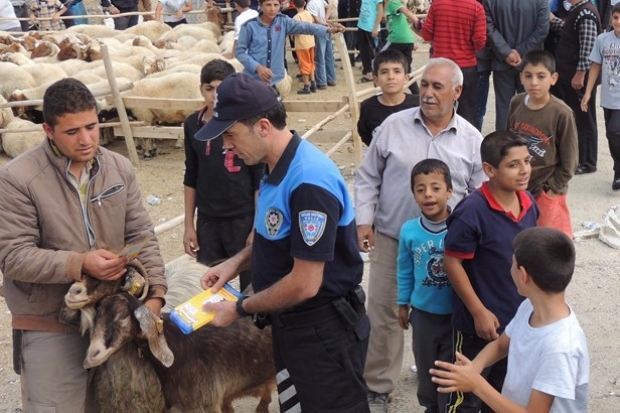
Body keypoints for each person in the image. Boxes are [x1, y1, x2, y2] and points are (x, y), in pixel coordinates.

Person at [196, 73, 370, 413]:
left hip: (322, 333)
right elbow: (277, 238)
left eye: (230, 134)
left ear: (262, 126)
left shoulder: (307, 181)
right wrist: (234, 264)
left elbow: (305, 283)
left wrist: (240, 309)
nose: (226, 146)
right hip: (294, 329)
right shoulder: (274, 166)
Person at [0, 78, 167, 412]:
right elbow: (13, 256)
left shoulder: (118, 167)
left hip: (113, 317)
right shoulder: (18, 178)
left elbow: (141, 236)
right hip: (49, 319)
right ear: (48, 129)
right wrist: (79, 263)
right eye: (72, 131)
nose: (87, 139)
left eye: (92, 126)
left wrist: (156, 298)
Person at [355, 57, 485, 413]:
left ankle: (440, 388)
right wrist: (363, 220)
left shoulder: (472, 140)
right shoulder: (392, 127)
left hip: (448, 252)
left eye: (437, 87)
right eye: (424, 85)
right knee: (383, 314)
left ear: (457, 92)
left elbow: (481, 195)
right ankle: (379, 387)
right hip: (393, 239)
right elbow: (367, 177)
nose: (427, 93)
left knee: (443, 317)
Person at [432, 227, 590, 412]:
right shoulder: (529, 307)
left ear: (523, 276)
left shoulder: (561, 347)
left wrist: (476, 385)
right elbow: (501, 345)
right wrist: (475, 366)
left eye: (512, 264)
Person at [443, 130, 539, 413]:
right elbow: (452, 262)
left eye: (527, 160)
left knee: (503, 395)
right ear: (489, 170)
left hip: (517, 323)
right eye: (513, 164)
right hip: (478, 328)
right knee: (466, 398)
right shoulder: (472, 211)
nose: (524, 171)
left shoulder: (528, 202)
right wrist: (478, 312)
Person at [183, 60, 262, 294]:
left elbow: (258, 176)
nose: (215, 95)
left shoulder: (243, 123)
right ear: (201, 89)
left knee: (250, 284)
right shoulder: (191, 124)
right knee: (209, 284)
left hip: (243, 218)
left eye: (221, 89)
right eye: (209, 89)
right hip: (208, 220)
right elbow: (191, 173)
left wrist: (256, 225)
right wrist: (189, 224)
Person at [397, 158, 454, 413]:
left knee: (450, 370)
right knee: (426, 366)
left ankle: (448, 407)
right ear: (414, 195)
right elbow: (405, 270)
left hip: (456, 316)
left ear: (449, 191)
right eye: (420, 189)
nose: (428, 194)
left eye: (435, 187)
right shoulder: (409, 231)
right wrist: (402, 303)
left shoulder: (461, 228)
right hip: (423, 316)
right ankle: (431, 407)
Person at [508, 50, 578, 238]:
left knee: (547, 245)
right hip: (519, 188)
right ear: (521, 76)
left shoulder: (561, 113)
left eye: (541, 76)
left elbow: (570, 161)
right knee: (520, 241)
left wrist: (552, 190)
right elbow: (508, 144)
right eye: (528, 76)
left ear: (553, 78)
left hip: (546, 191)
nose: (534, 83)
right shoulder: (516, 103)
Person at [235, 0, 344, 89]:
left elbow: (306, 27)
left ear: (280, 6)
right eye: (268, 5)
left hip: (276, 80)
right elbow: (240, 52)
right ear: (260, 6)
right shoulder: (249, 26)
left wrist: (328, 29)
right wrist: (257, 67)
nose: (272, 9)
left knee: (277, 113)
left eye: (276, 5)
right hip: (254, 80)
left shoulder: (283, 21)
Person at [550, 0, 601, 177]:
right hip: (570, 75)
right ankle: (580, 157)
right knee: (577, 117)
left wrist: (580, 73)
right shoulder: (578, 11)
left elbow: (588, 48)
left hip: (579, 78)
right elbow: (569, 30)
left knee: (584, 118)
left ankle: (588, 162)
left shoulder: (586, 13)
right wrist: (553, 20)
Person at [418, 0, 487, 127]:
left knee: (437, 109)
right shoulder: (477, 8)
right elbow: (480, 42)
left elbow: (426, 34)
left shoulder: (437, 4)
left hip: (440, 67)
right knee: (467, 111)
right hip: (466, 68)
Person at [484, 0, 549, 131]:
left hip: (502, 61)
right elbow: (542, 30)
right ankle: (526, 145)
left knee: (504, 109)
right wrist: (520, 52)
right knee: (530, 107)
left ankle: (503, 146)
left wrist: (507, 52)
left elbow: (489, 28)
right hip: (530, 63)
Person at [582, 2, 620, 190]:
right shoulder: (602, 39)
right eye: (615, 17)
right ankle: (618, 170)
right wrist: (588, 92)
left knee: (614, 131)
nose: (618, 21)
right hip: (608, 98)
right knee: (610, 134)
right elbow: (595, 66)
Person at [357, 49, 418, 146]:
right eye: (384, 72)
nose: (391, 77)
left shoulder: (417, 105)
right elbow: (366, 135)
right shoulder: (368, 107)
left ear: (406, 78)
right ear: (376, 80)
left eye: (397, 71)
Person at [306, 0, 337, 89]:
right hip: (326, 29)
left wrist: (323, 22)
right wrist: (326, 19)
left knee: (320, 57)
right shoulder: (320, 0)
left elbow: (316, 20)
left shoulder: (311, 4)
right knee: (329, 55)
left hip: (319, 30)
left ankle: (322, 81)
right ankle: (331, 79)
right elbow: (329, 7)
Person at [293, 0, 318, 94]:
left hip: (302, 44)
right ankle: (313, 82)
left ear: (294, 5)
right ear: (304, 4)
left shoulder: (296, 17)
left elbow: (295, 31)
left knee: (304, 64)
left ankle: (306, 86)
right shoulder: (308, 13)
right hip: (311, 41)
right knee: (311, 63)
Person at [356, 0, 383, 83]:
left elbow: (380, 10)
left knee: (375, 52)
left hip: (371, 27)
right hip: (362, 25)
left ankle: (380, 72)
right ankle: (368, 72)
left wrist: (376, 27)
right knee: (364, 51)